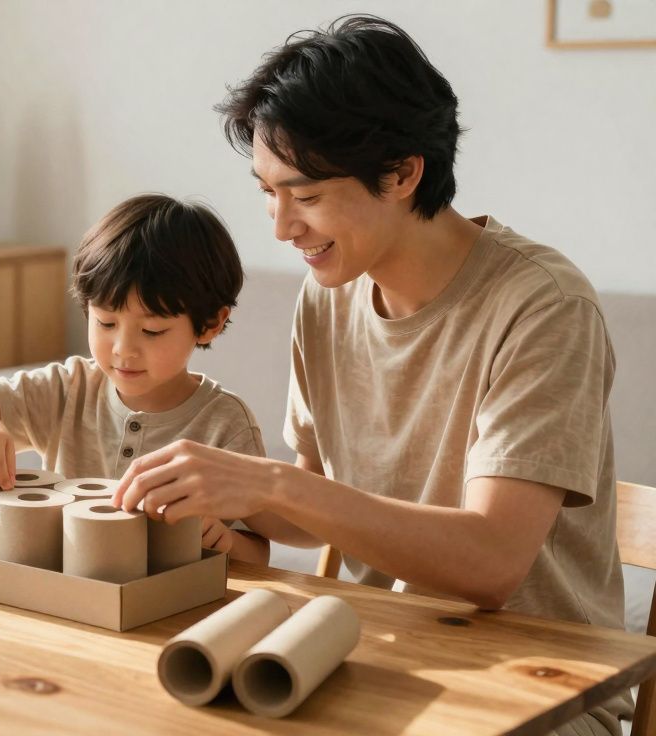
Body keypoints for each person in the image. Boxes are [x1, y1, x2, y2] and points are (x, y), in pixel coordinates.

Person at [113, 15, 629, 733]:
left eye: (306, 195)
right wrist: (207, 496)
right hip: (368, 655)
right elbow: (309, 508)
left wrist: (267, 482)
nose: (280, 225)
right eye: (267, 191)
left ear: (402, 172)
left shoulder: (543, 307)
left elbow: (491, 564)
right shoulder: (327, 297)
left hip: (541, 691)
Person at [0, 193, 270, 564]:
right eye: (105, 323)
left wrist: (224, 541)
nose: (123, 349)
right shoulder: (69, 389)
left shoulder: (226, 425)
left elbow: (260, 552)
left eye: (152, 331)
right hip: (65, 591)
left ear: (210, 324)